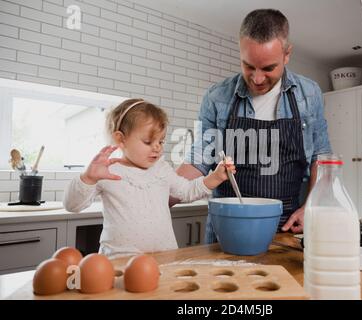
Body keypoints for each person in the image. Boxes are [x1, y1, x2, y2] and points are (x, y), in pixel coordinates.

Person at [173, 9, 331, 243]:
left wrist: (311, 207)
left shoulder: (309, 94)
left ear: (287, 55)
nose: (257, 79)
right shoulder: (217, 97)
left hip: (286, 227)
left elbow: (321, 156)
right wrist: (156, 192)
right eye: (248, 66)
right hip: (226, 224)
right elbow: (200, 158)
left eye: (268, 68)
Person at [63, 98, 235, 258]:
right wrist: (88, 178)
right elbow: (72, 205)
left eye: (161, 141)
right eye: (148, 142)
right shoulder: (108, 171)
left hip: (163, 259)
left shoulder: (161, 168)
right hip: (120, 261)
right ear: (120, 140)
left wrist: (216, 176)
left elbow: (188, 190)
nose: (157, 148)